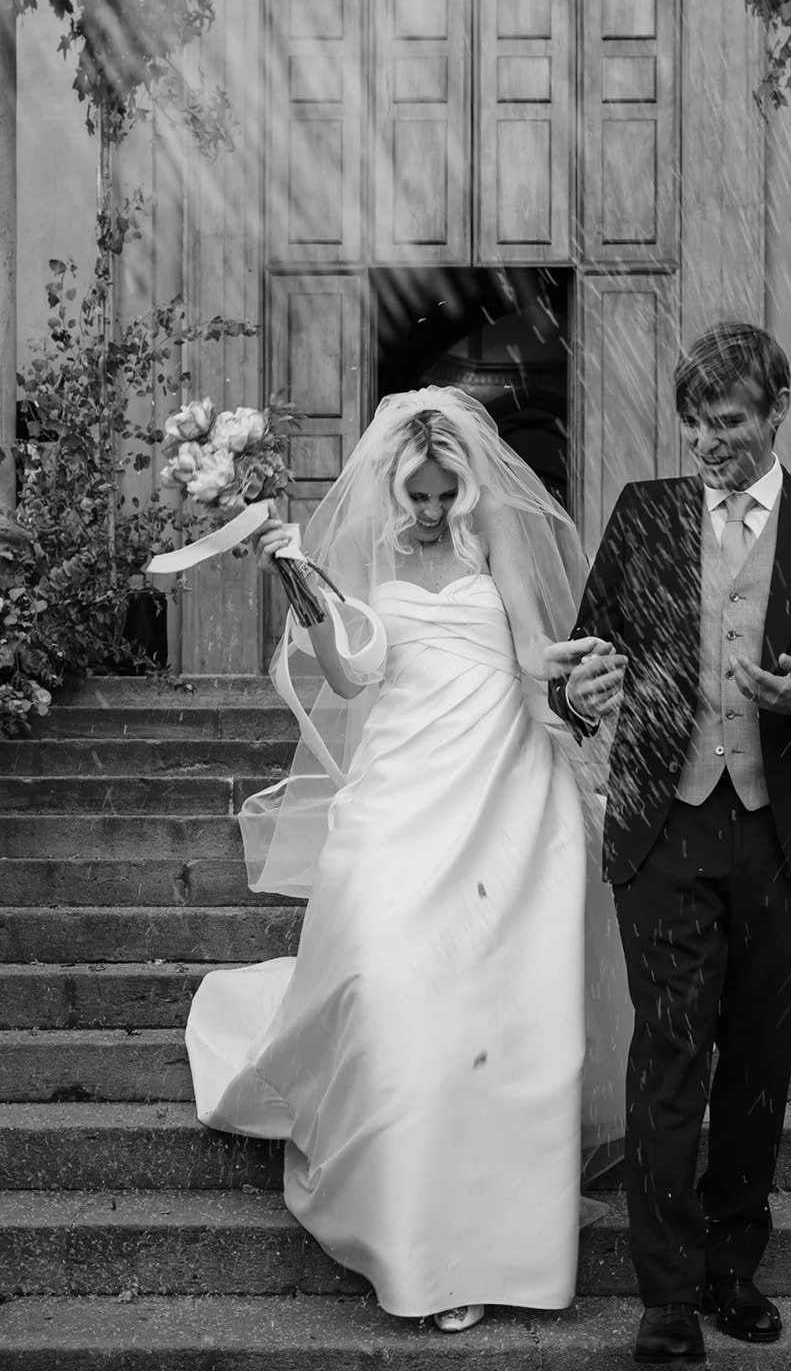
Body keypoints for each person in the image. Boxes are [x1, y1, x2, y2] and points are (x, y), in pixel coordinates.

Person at [184, 387, 630, 1331]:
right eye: (418, 497)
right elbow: (353, 675)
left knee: (507, 1022)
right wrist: (300, 585)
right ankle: (412, 1238)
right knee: (391, 994)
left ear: (465, 487)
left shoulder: (490, 534)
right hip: (399, 788)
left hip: (502, 783)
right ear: (393, 487)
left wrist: (567, 668)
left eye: (443, 496)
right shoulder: (369, 550)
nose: (430, 512)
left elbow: (525, 647)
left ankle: (501, 1252)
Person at [550, 322, 791, 1365]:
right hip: (663, 827)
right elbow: (585, 654)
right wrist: (572, 690)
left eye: (728, 423)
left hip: (781, 837)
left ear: (773, 411)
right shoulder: (643, 513)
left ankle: (729, 1267)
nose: (708, 442)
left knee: (756, 1063)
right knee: (669, 1057)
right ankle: (665, 1297)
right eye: (695, 424)